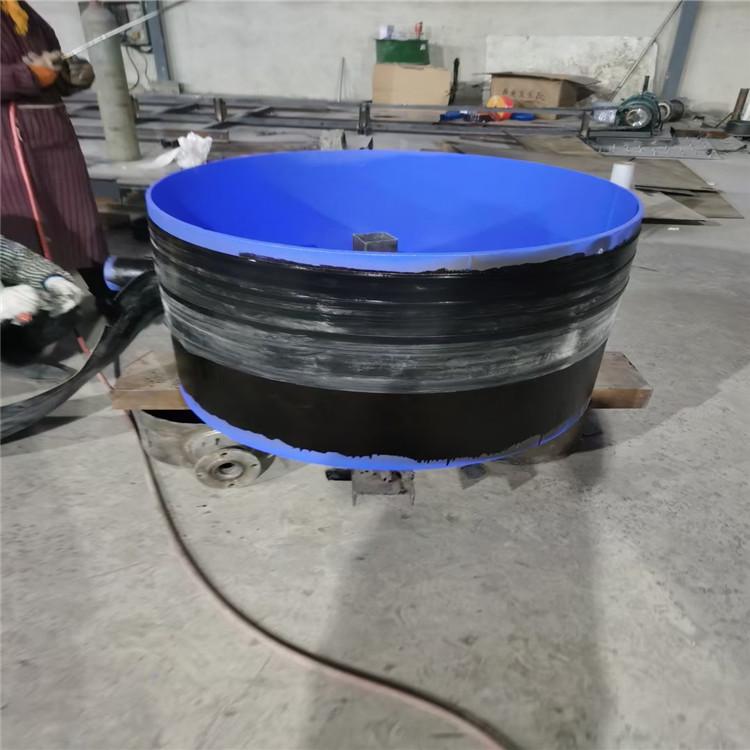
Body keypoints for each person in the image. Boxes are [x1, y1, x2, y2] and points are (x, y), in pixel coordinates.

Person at [1, 0, 107, 291]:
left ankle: (105, 292)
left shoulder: (20, 11)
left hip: (51, 133)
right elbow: (31, 73)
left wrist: (67, 76)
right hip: (9, 146)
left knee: (78, 219)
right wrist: (28, 75)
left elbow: (51, 61)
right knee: (28, 229)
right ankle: (44, 298)